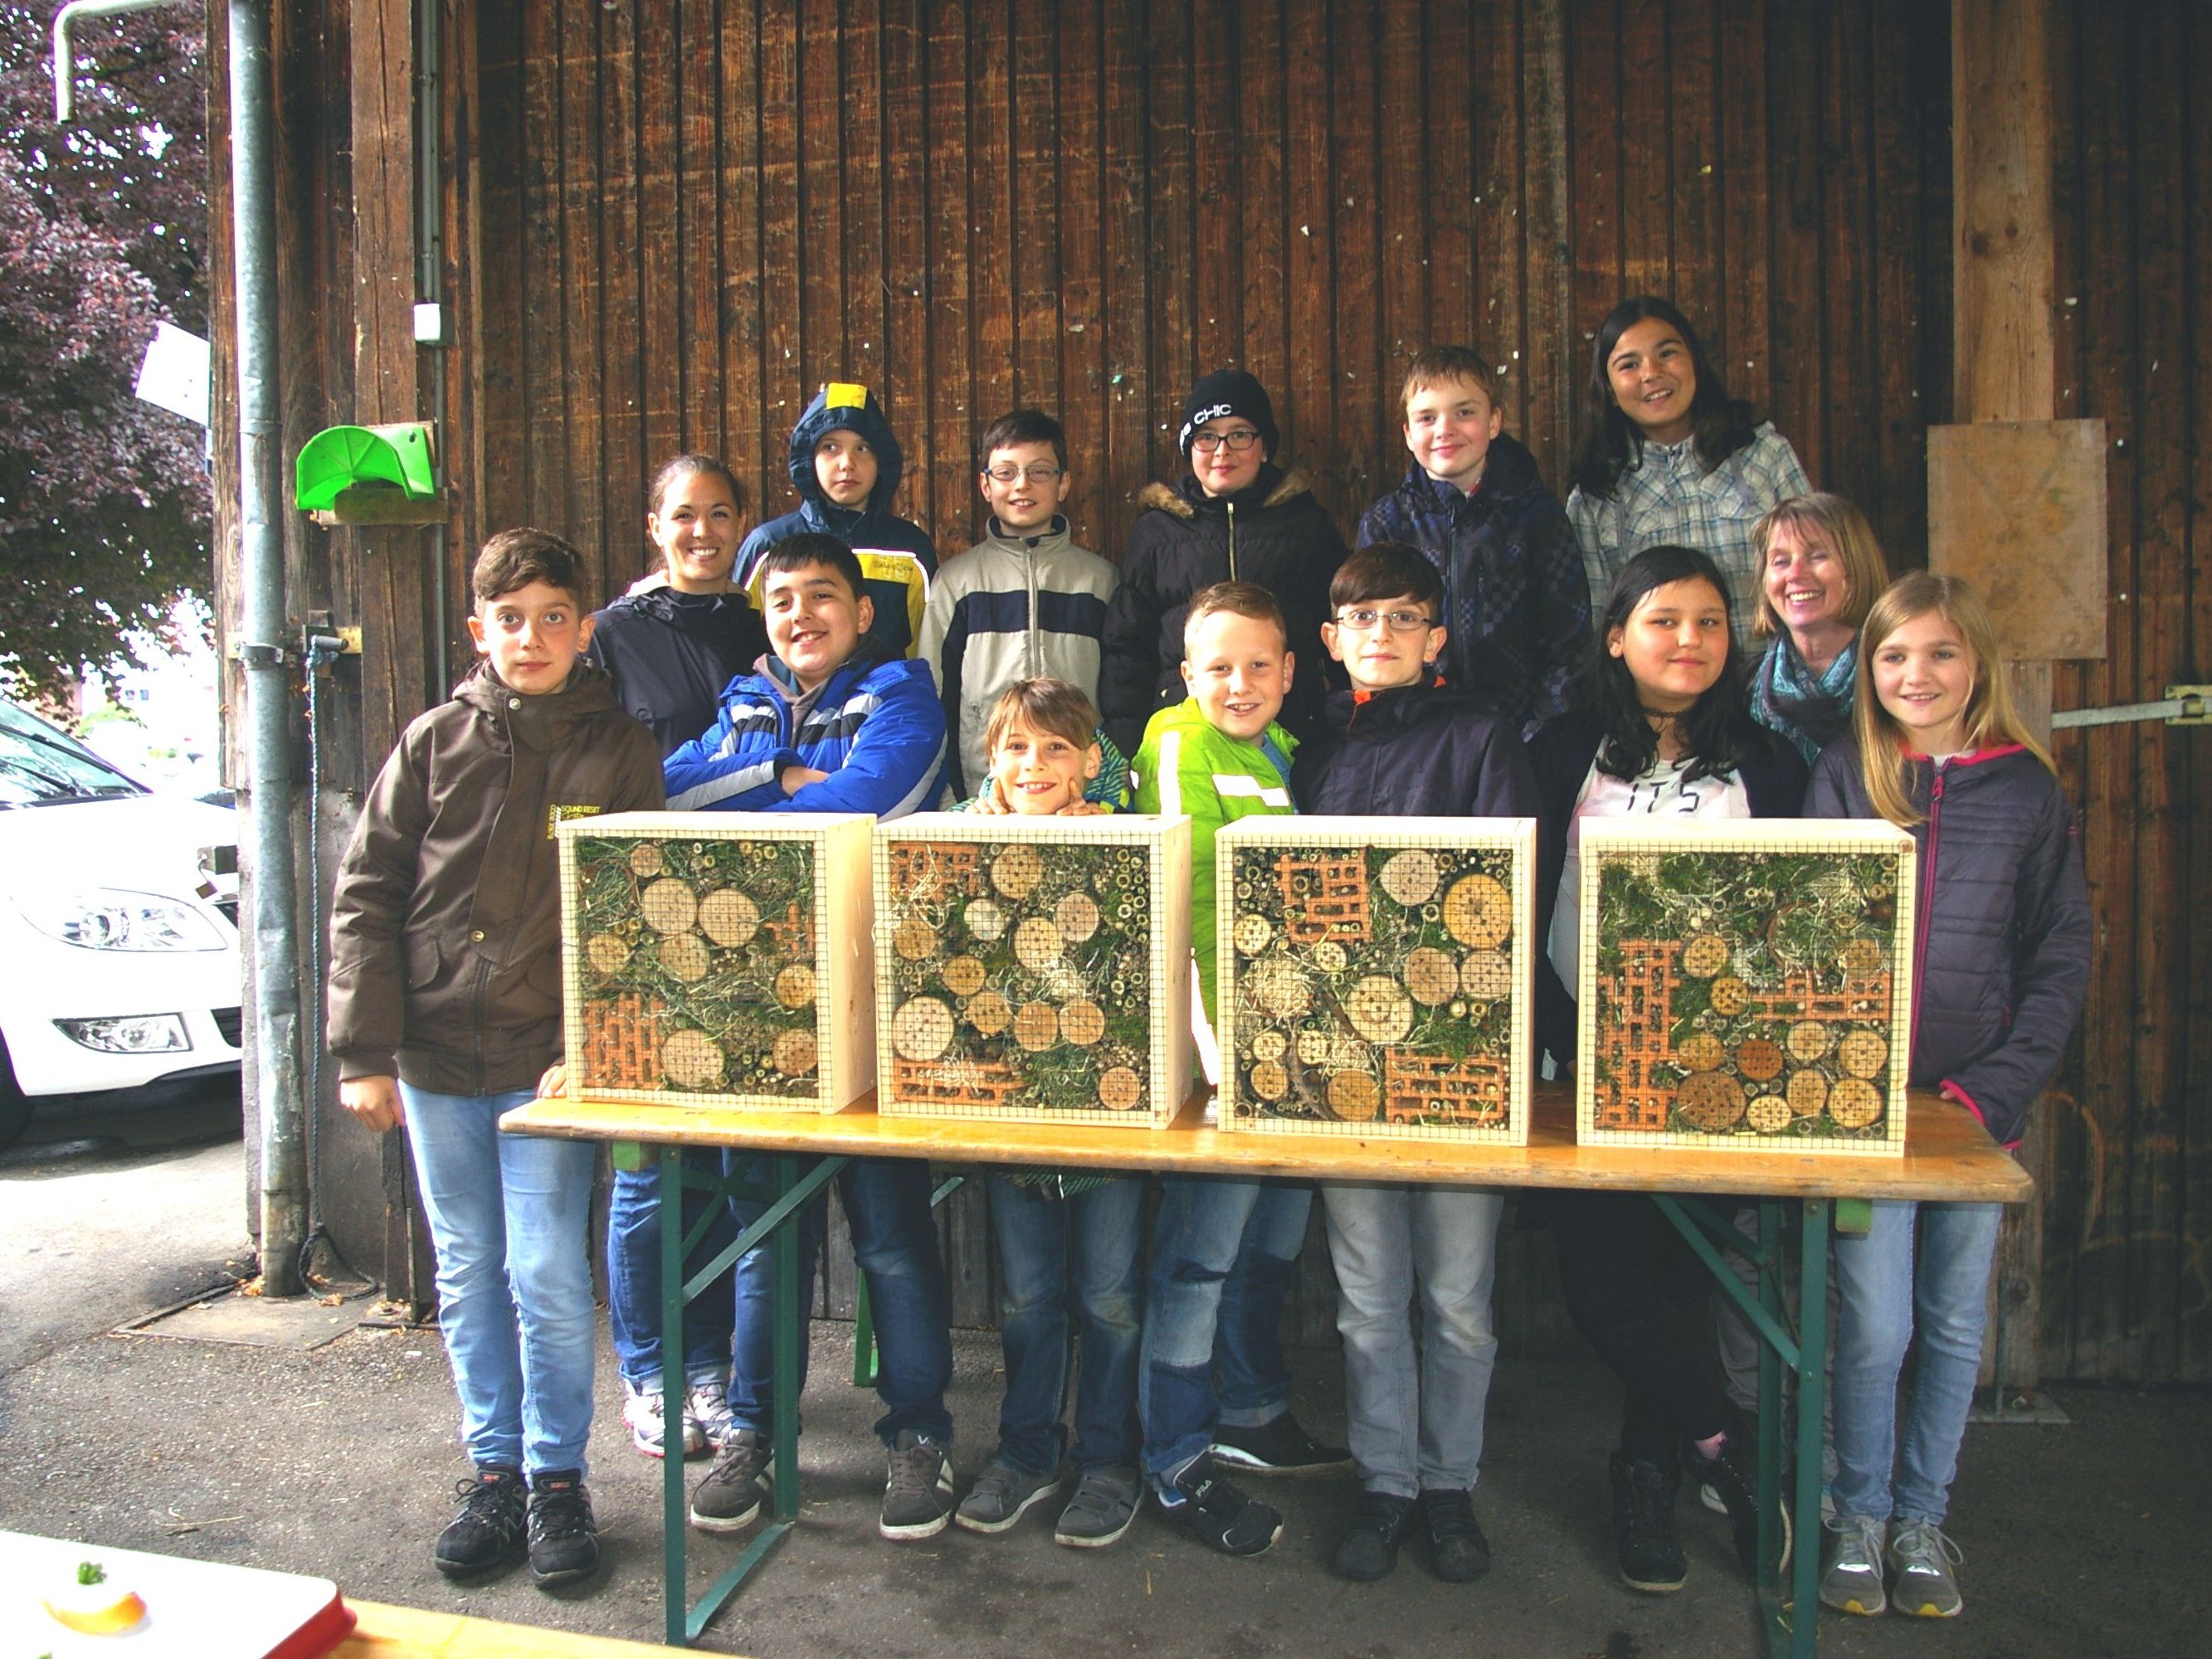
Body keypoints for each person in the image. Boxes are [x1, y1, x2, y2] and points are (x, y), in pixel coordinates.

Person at [327, 529, 664, 1589]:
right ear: (480, 631)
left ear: (584, 627)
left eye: (553, 617)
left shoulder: (619, 748)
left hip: (544, 1064)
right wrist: (362, 1051)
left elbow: (634, 917)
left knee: (548, 1272)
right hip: (429, 1060)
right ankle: (495, 1473)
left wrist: (589, 1049)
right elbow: (367, 894)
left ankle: (559, 1478)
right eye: (509, 619)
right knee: (468, 1268)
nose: (532, 637)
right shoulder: (432, 741)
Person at [664, 534, 960, 1544]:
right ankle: (753, 1433)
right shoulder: (740, 705)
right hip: (760, 1019)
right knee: (764, 1240)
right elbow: (661, 791)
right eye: (782, 599)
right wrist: (776, 770)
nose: (801, 615)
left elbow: (871, 800)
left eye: (821, 596)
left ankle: (918, 1436)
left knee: (891, 1240)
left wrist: (765, 792)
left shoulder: (904, 698)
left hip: (880, 1017)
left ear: (861, 612)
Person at [1807, 572, 2089, 1620]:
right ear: (1867, 672)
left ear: (1976, 662)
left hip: (1975, 1110)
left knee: (1952, 1325)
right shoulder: (1846, 774)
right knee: (1872, 1324)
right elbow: (1803, 936)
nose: (1914, 675)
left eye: (1937, 654)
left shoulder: (2027, 789)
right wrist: (1843, 1078)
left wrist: (1995, 1087)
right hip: (1865, 1107)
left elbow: (2058, 954)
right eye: (1892, 656)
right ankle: (1856, 1512)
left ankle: (1923, 1518)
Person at [1529, 544, 1805, 1595]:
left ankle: (1645, 1475)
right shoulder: (1561, 750)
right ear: (1615, 634)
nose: (1685, 640)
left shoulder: (1767, 763)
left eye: (1706, 621)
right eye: (1661, 619)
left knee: (1678, 1284)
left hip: (1712, 1072)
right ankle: (1727, 1447)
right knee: (1604, 1284)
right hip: (1576, 1063)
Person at [1289, 542, 1537, 1584]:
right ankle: (1384, 1480)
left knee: (1457, 1299)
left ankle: (1450, 1485)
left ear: (1435, 636)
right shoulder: (1307, 747)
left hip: (1453, 1065)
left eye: (1403, 617)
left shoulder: (1480, 736)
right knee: (1366, 1296)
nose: (1380, 634)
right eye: (1361, 618)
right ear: (1330, 639)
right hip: (1341, 1062)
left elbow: (1509, 894)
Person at [1133, 581, 1350, 1561]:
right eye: (1217, 664)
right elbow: (1186, 901)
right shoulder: (1177, 742)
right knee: (1198, 1259)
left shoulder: (1290, 752)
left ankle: (1251, 1410)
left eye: (1259, 663)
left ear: (1292, 669)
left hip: (1295, 1040)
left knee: (1271, 1239)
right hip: (1222, 1048)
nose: (1239, 681)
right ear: (1186, 673)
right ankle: (1173, 1461)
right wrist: (1219, 1055)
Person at [586, 453, 764, 1462]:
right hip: (647, 931)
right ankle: (648, 1370)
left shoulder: (757, 624)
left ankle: (707, 1360)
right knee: (653, 1165)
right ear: (653, 524)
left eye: (719, 515)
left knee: (723, 1163)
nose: (701, 531)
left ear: (742, 523)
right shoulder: (612, 635)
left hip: (750, 931)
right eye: (681, 515)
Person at [943, 679, 1147, 1550]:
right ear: (992, 758)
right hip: (1010, 1111)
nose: (1035, 765)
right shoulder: (956, 835)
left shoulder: (1126, 837)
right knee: (1027, 1297)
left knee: (1107, 1297)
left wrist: (1104, 861)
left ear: (1089, 760)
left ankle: (1107, 1460)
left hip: (1107, 1116)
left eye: (1056, 748)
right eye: (1017, 747)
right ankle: (1025, 1451)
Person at [1099, 370, 1347, 754]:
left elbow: (1340, 633)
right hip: (1185, 738)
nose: (1222, 451)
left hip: (1292, 732)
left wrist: (1342, 725)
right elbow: (1127, 650)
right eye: (1206, 436)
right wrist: (1128, 746)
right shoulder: (1157, 533)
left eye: (1240, 434)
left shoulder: (1306, 526)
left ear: (1264, 446)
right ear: (1189, 447)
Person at [1355, 346, 1588, 726]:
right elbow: (1366, 636)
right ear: (1408, 434)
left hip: (1519, 730)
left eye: (1464, 412)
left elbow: (1568, 635)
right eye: (1427, 417)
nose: (1445, 429)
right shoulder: (1387, 522)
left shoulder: (1536, 514)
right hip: (1417, 732)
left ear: (1494, 422)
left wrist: (1546, 729)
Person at [1566, 297, 1813, 650]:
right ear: (1611, 392)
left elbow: (1815, 572)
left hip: (1772, 690)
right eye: (1629, 364)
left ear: (1694, 361)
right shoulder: (1596, 495)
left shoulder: (1763, 454)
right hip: (1658, 697)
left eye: (1667, 353)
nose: (1651, 373)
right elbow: (1597, 626)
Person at [918, 408, 1121, 802]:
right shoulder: (957, 582)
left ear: (1063, 484)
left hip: (1080, 796)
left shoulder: (1099, 581)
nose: (1022, 485)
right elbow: (934, 694)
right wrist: (953, 795)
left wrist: (1106, 793)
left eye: (1040, 471)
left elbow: (1118, 697)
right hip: (982, 796)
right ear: (985, 485)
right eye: (1006, 473)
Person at [734, 382, 937, 659]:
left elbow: (927, 650)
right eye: (831, 447)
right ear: (809, 458)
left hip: (887, 699)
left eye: (863, 449)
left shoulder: (910, 549)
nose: (847, 463)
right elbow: (737, 646)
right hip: (789, 700)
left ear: (882, 461)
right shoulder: (768, 545)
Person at [1746, 492, 1893, 764]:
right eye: (1780, 561)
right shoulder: (1740, 690)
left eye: (1817, 556)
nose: (1795, 574)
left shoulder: (1896, 679)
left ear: (1856, 567)